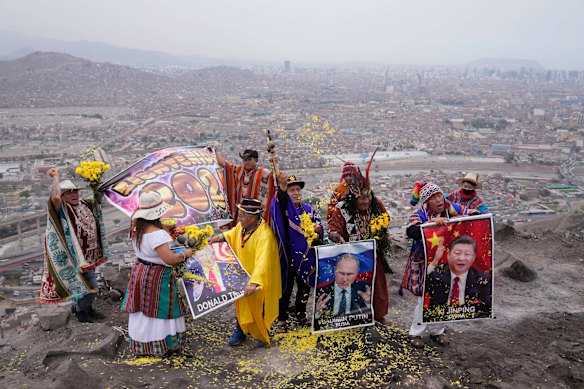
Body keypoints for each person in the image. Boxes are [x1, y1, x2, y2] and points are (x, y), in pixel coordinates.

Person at [400, 181, 477, 348]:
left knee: (444, 295)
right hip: (426, 262)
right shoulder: (420, 214)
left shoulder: (453, 208)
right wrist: (433, 224)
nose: (438, 200)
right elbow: (411, 230)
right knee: (425, 299)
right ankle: (416, 333)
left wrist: (464, 217)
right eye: (433, 197)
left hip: (448, 263)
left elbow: (475, 214)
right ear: (427, 202)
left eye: (439, 195)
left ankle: (437, 331)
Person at [121, 191, 193, 356]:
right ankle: (163, 345)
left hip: (140, 271)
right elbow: (169, 259)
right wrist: (186, 253)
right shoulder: (158, 235)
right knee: (160, 309)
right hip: (157, 276)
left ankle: (142, 343)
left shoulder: (136, 228)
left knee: (141, 309)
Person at [38, 168, 108, 323]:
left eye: (75, 191)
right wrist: (56, 177)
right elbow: (55, 197)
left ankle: (87, 309)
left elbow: (99, 201)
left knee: (85, 285)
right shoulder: (62, 209)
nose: (74, 194)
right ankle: (80, 311)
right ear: (63, 196)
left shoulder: (84, 205)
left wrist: (95, 184)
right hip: (74, 258)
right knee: (91, 288)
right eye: (69, 192)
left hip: (89, 254)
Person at [210, 198, 281, 347]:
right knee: (241, 304)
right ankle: (241, 329)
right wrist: (218, 238)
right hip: (241, 275)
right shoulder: (242, 227)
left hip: (258, 279)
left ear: (253, 217)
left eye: (242, 215)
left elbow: (263, 262)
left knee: (258, 307)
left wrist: (254, 282)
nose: (239, 218)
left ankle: (262, 333)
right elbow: (232, 233)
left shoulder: (265, 234)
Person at [328, 163, 391, 325]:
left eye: (368, 196)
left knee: (378, 285)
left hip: (372, 253)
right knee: (352, 286)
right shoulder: (342, 209)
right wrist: (337, 237)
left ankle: (378, 315)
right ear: (353, 198)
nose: (366, 201)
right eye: (362, 198)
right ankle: (353, 316)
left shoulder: (376, 205)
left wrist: (380, 234)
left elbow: (385, 220)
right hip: (352, 256)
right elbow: (333, 229)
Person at [270, 173, 323, 332]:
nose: (296, 193)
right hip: (287, 255)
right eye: (291, 190)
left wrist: (318, 230)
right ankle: (282, 319)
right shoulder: (283, 210)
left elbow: (319, 226)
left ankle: (301, 314)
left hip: (306, 255)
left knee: (304, 286)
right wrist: (281, 188)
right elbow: (277, 208)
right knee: (285, 288)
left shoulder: (308, 210)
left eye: (298, 189)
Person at [425, 235, 492, 319]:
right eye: (457, 253)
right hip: (439, 318)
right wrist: (434, 261)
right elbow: (422, 286)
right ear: (448, 254)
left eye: (467, 254)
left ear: (474, 257)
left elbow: (486, 307)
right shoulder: (436, 273)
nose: (462, 258)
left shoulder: (482, 279)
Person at [213, 147, 275, 225]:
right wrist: (214, 152)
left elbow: (275, 179)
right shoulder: (239, 171)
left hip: (256, 214)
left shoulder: (263, 173)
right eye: (245, 160)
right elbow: (225, 165)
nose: (247, 162)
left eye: (249, 160)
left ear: (255, 161)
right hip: (241, 213)